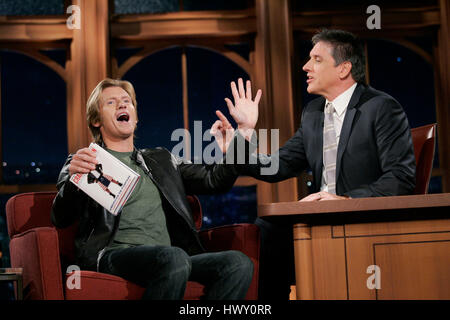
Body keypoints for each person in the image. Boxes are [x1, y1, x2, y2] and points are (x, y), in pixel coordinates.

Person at [216, 29, 416, 299]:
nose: (305, 66)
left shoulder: (382, 108)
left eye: (316, 59)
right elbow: (279, 165)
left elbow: (400, 179)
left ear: (343, 68)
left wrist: (344, 200)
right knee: (265, 231)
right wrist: (239, 142)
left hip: (364, 218)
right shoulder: (312, 113)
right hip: (319, 219)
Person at [51, 78, 254, 300]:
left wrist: (243, 134)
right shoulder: (85, 161)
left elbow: (214, 181)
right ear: (96, 120)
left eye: (127, 101)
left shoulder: (161, 159)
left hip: (170, 257)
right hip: (113, 255)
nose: (122, 105)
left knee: (237, 264)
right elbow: (60, 217)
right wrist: (73, 180)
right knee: (174, 258)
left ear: (135, 117)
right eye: (111, 102)